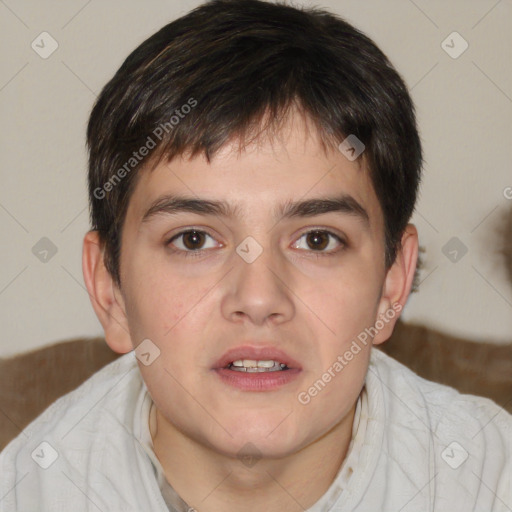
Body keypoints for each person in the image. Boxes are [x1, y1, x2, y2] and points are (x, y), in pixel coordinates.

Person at [1, 1, 510, 510]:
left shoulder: (488, 481)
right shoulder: (29, 490)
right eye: (194, 239)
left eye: (317, 240)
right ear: (110, 290)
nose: (260, 298)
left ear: (391, 283)